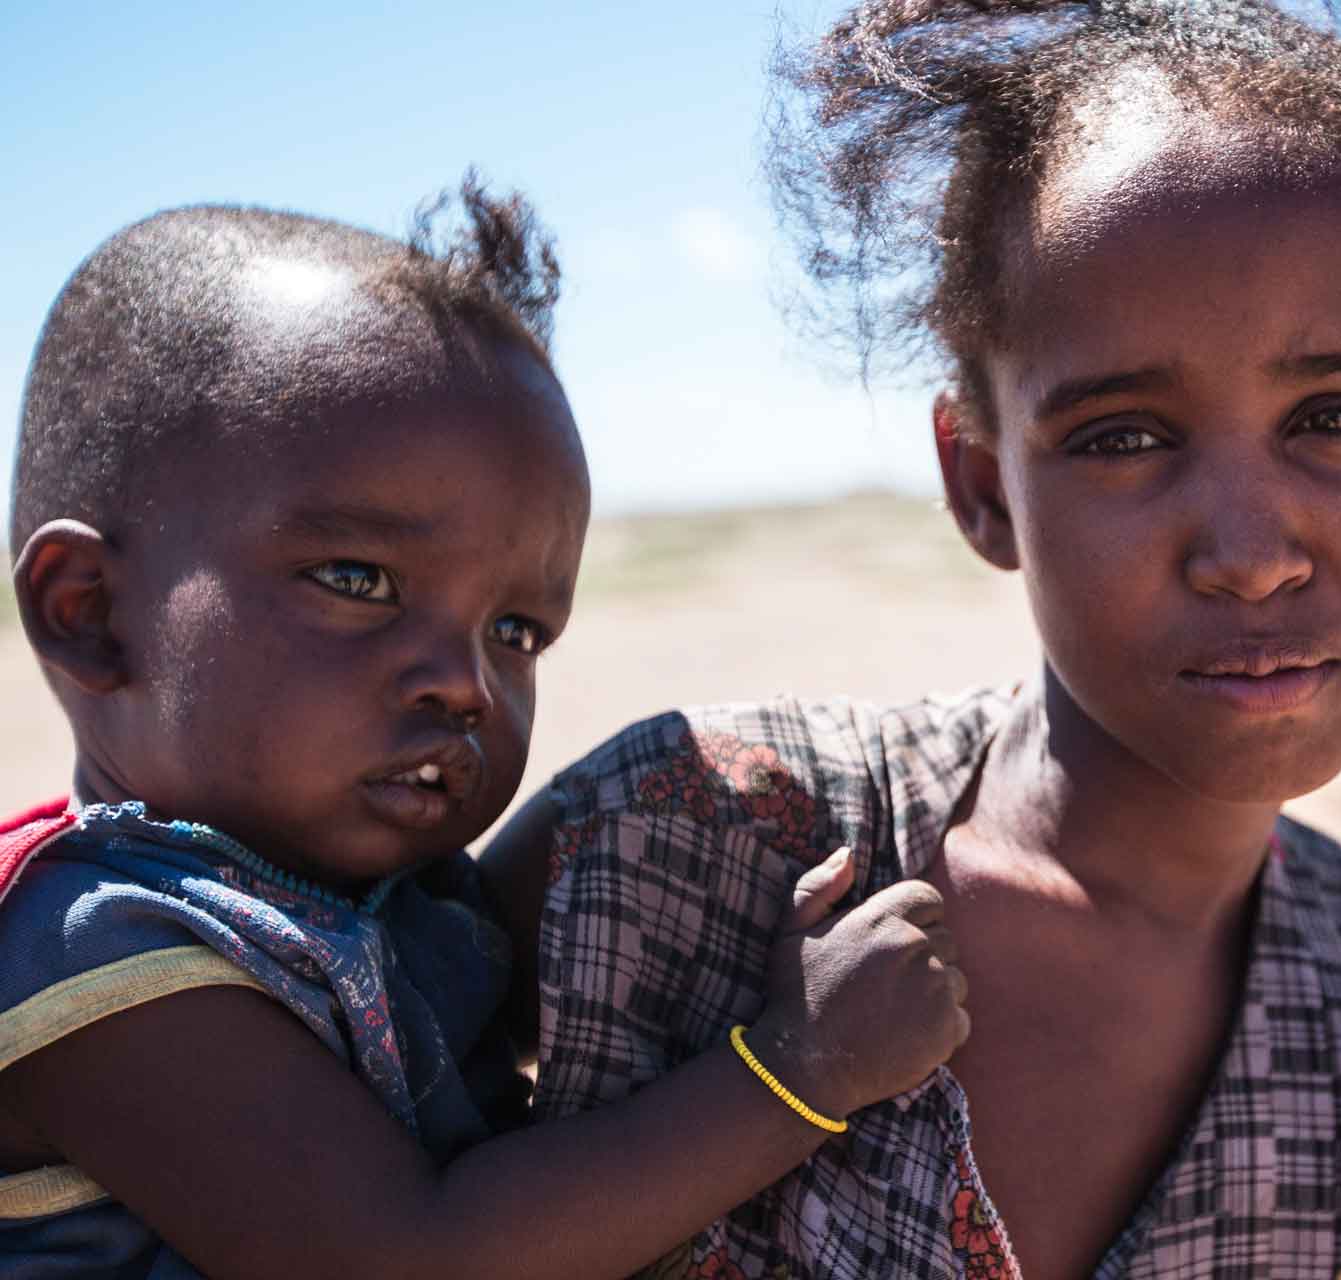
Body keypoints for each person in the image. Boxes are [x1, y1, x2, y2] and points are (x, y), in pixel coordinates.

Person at [496, 1, 1341, 1277]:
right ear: (982, 481)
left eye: (1338, 415)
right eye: (1123, 436)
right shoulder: (683, 845)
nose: (1252, 551)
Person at [0, 182, 969, 1278]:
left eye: (517, 627)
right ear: (87, 609)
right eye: (360, 579)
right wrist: (799, 1067)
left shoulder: (371, 899)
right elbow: (415, 1254)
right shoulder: (89, 942)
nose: (466, 684)